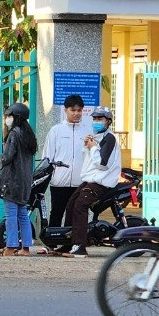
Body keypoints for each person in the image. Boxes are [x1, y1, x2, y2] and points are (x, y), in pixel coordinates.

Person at [61, 106, 122, 258]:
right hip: (90, 180)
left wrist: (93, 147)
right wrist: (88, 146)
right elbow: (90, 161)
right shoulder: (98, 137)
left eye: (100, 119)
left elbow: (102, 163)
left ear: (108, 122)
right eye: (94, 119)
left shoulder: (109, 138)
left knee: (81, 206)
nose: (96, 122)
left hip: (102, 182)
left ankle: (80, 247)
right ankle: (69, 244)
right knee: (71, 205)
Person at [0, 102, 38, 256]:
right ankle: (25, 248)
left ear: (16, 118)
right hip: (24, 181)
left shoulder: (14, 134)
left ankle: (10, 247)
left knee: (11, 216)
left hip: (12, 181)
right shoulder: (27, 135)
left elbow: (8, 157)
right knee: (23, 215)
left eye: (9, 116)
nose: (7, 119)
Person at [41, 94, 90, 227]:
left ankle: (72, 243)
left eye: (79, 110)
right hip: (59, 181)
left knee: (75, 213)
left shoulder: (88, 131)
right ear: (65, 110)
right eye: (73, 110)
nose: (76, 113)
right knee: (57, 211)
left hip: (80, 182)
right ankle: (52, 243)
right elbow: (47, 156)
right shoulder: (56, 131)